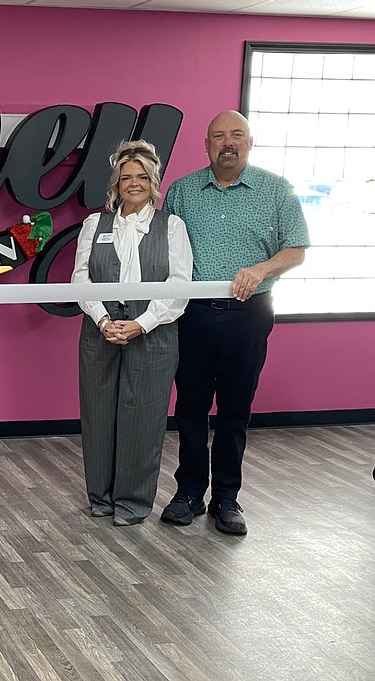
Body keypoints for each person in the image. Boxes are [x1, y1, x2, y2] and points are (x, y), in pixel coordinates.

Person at [160, 110, 309, 535]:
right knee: (189, 408)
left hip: (249, 315)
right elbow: (164, 249)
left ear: (250, 142)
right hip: (192, 314)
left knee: (235, 411)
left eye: (237, 135)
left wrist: (262, 270)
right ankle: (188, 491)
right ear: (206, 145)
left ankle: (227, 497)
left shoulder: (276, 191)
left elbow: (296, 249)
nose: (228, 142)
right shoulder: (182, 191)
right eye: (219, 136)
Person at [72, 140, 192, 526]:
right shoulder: (95, 225)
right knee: (98, 414)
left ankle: (132, 503)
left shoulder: (171, 226)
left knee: (143, 418)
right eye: (127, 177)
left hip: (153, 330)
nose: (134, 183)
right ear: (116, 183)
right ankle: (101, 498)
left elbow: (179, 286)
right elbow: (80, 281)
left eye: (142, 177)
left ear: (154, 181)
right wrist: (104, 320)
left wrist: (141, 323)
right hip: (100, 328)